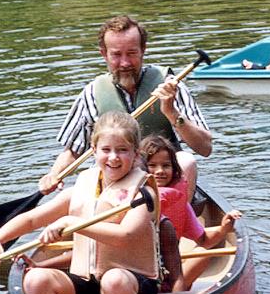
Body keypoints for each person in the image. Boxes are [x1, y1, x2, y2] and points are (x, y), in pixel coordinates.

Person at [0, 112, 160, 294]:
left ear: (136, 154)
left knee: (114, 280)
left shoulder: (143, 193)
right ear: (93, 150)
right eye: (106, 150)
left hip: (131, 286)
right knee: (35, 280)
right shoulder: (83, 187)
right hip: (86, 283)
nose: (113, 157)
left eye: (122, 150)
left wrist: (70, 221)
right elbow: (31, 219)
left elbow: (125, 237)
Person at [39, 15, 212, 198]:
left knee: (186, 161)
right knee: (85, 179)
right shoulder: (91, 94)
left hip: (161, 178)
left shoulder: (170, 86)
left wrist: (171, 112)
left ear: (143, 50)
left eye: (131, 53)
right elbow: (73, 150)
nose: (125, 63)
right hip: (114, 176)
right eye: (116, 54)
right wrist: (53, 174)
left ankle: (175, 218)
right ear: (104, 54)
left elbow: (205, 148)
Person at [139, 134, 242, 292]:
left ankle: (175, 292)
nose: (160, 171)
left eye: (166, 165)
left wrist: (223, 229)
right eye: (152, 165)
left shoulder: (179, 204)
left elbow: (204, 240)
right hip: (139, 273)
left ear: (174, 169)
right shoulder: (132, 199)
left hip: (169, 272)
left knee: (203, 253)